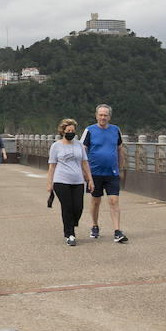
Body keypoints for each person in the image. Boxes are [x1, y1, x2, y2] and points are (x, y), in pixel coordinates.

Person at [82, 103, 127, 242]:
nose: (103, 117)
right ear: (96, 116)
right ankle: (95, 226)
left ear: (109, 117)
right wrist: (85, 172)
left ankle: (117, 231)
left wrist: (121, 168)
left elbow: (120, 150)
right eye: (100, 115)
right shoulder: (89, 130)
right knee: (96, 201)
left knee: (114, 201)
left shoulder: (115, 130)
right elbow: (82, 150)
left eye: (105, 115)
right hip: (94, 173)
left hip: (112, 172)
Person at [47, 117, 94, 246]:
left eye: (73, 130)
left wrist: (90, 180)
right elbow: (52, 166)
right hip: (61, 181)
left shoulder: (79, 145)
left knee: (78, 207)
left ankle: (72, 223)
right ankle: (70, 234)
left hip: (78, 181)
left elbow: (85, 163)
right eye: (68, 130)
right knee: (67, 207)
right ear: (63, 131)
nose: (71, 133)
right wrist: (49, 183)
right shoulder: (56, 146)